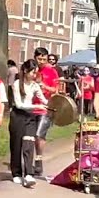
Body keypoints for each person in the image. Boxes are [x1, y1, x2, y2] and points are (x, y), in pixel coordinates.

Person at [8, 59, 45, 188]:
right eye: (33, 72)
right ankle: (16, 173)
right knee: (16, 145)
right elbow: (19, 104)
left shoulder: (35, 85)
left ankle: (29, 173)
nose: (34, 75)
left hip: (30, 117)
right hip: (18, 115)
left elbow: (44, 100)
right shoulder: (17, 84)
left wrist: (55, 102)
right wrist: (37, 106)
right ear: (25, 71)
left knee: (29, 142)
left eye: (36, 73)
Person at [34, 47, 60, 177]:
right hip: (30, 106)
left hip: (45, 108)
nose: (41, 61)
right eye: (39, 59)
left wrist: (44, 86)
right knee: (30, 136)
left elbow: (56, 89)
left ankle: (38, 159)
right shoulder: (32, 69)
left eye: (44, 59)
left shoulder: (51, 72)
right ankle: (29, 161)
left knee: (39, 135)